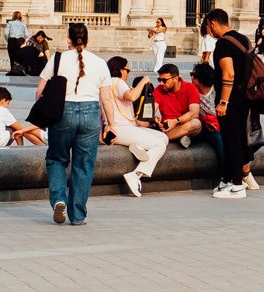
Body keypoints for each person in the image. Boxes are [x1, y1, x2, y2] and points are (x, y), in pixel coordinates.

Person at [39, 21, 104, 225]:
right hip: (91, 112)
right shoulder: (99, 62)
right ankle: (77, 215)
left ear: (68, 39)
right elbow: (107, 99)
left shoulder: (57, 59)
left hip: (62, 112)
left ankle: (59, 199)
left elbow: (40, 91)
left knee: (57, 159)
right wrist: (111, 124)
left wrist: (44, 116)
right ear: (87, 39)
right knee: (84, 165)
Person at [205, 9, 256, 199]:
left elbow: (228, 73)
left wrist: (223, 101)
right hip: (245, 98)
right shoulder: (244, 39)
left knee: (231, 141)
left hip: (231, 100)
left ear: (213, 23)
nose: (209, 30)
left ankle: (237, 185)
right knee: (238, 139)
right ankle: (227, 180)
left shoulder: (223, 44)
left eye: (208, 26)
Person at [100, 56, 167, 197]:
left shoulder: (105, 84)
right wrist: (144, 80)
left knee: (163, 137)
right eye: (127, 70)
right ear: (119, 70)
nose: (128, 74)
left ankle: (138, 147)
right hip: (121, 128)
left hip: (121, 128)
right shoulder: (118, 82)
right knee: (160, 145)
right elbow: (131, 96)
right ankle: (136, 175)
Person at [149, 65, 205, 145]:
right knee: (145, 121)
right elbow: (151, 110)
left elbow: (194, 113)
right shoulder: (159, 89)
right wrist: (154, 118)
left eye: (164, 80)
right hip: (167, 127)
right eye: (159, 80)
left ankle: (163, 137)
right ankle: (179, 136)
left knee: (196, 124)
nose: (161, 83)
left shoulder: (190, 88)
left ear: (175, 79)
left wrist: (176, 121)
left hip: (183, 124)